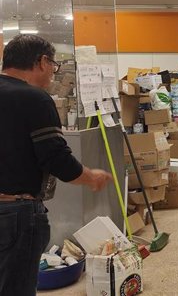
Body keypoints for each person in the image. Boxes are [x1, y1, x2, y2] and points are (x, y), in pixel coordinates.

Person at [0, 34, 112, 295]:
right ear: (41, 61)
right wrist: (90, 176)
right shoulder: (34, 99)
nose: (53, 72)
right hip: (16, 213)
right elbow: (57, 159)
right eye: (53, 64)